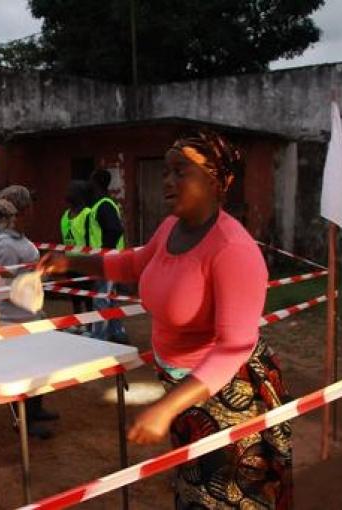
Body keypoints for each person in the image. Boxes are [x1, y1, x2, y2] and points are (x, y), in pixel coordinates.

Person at [40, 130, 292, 509]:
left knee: (225, 498)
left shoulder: (232, 250)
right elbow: (134, 263)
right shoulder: (171, 228)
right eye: (166, 173)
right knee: (193, 487)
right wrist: (71, 261)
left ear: (216, 181)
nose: (168, 182)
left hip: (227, 395)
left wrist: (166, 407)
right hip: (182, 390)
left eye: (181, 172)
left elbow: (232, 348)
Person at [0, 185, 58, 439]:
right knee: (21, 372)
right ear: (21, 211)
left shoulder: (18, 238)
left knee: (38, 367)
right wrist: (37, 275)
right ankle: (23, 420)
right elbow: (11, 285)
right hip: (14, 319)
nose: (33, 211)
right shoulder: (5, 244)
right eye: (29, 206)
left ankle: (36, 410)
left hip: (30, 314)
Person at [87, 169, 128, 343]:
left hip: (106, 260)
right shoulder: (103, 204)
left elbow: (115, 229)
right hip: (109, 259)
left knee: (101, 300)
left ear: (95, 183)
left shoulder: (104, 205)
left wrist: (105, 254)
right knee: (110, 299)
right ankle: (118, 334)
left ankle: (100, 338)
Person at [59, 180, 93, 333]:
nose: (68, 193)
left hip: (86, 262)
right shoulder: (65, 216)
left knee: (88, 297)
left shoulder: (88, 214)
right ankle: (80, 323)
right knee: (75, 297)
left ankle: (91, 325)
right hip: (70, 263)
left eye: (72, 190)